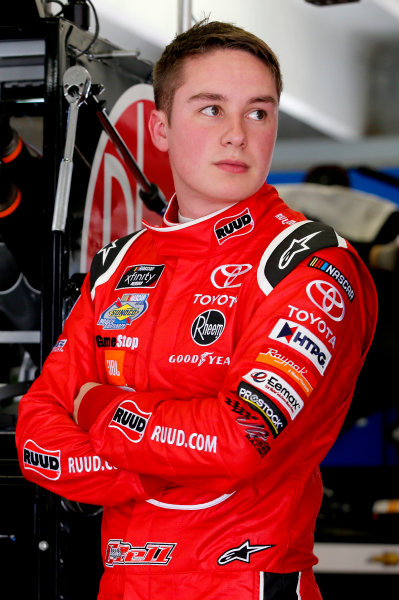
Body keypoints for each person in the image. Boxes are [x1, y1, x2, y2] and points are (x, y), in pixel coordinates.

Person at [16, 20, 378, 600]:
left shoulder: (307, 264)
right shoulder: (119, 264)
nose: (238, 134)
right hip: (121, 585)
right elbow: (37, 441)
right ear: (160, 127)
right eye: (211, 109)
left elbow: (239, 436)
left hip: (244, 584)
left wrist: (103, 409)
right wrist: (163, 465)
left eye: (258, 113)